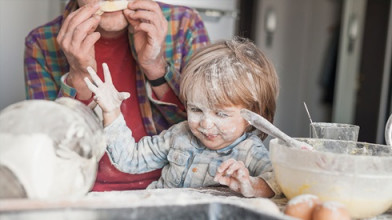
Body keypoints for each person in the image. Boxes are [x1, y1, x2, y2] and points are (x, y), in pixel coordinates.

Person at [24, 0, 210, 191]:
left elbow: (209, 131)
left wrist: (156, 66)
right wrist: (80, 75)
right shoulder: (41, 42)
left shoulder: (185, 24)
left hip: (173, 187)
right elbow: (48, 151)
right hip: (85, 190)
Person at [84, 38, 282, 198]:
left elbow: (277, 182)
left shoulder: (249, 151)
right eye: (196, 109)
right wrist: (111, 113)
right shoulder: (179, 135)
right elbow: (129, 159)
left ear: (253, 116)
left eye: (221, 114)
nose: (205, 123)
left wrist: (252, 185)